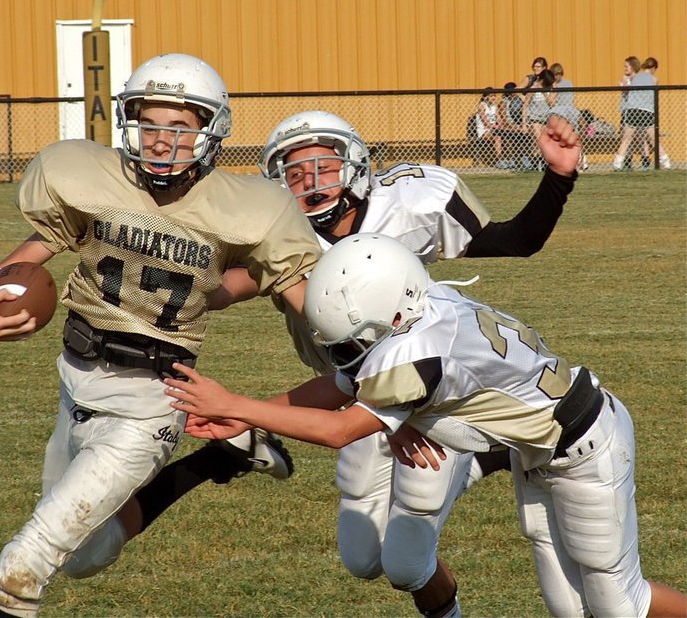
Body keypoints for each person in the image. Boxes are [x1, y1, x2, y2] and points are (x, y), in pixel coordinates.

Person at [166, 109, 579, 616]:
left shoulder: (402, 209)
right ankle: (476, 460)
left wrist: (559, 177)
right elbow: (224, 288)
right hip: (350, 391)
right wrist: (162, 276)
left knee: (406, 565)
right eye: (295, 174)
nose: (311, 183)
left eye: (322, 166)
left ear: (354, 166)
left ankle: (474, 455)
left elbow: (516, 240)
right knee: (363, 559)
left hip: (422, 393)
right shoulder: (281, 238)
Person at [0, 52, 320, 618]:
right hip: (75, 380)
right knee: (85, 556)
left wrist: (361, 360)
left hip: (154, 398)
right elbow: (29, 257)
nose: (161, 140)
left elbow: (297, 289)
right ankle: (214, 462)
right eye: (150, 123)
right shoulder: (85, 174)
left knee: (27, 565)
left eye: (180, 126)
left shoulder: (250, 207)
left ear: (210, 131)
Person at [164, 232, 687, 618]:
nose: (349, 355)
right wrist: (240, 410)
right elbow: (345, 386)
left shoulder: (416, 352)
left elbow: (338, 429)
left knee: (620, 603)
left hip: (587, 446)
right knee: (571, 610)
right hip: (541, 454)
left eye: (355, 341)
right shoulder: (424, 304)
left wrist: (236, 402)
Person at [614, 57, 672, 171]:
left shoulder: (632, 77)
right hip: (647, 111)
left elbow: (625, 90)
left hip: (633, 110)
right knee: (653, 139)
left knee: (627, 139)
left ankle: (617, 163)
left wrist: (623, 85)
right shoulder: (654, 79)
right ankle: (666, 163)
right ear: (654, 68)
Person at [549, 63, 588, 171]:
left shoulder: (564, 84)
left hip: (566, 112)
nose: (557, 77)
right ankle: (575, 161)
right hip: (564, 112)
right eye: (555, 75)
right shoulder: (559, 84)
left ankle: (580, 159)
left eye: (558, 74)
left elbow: (556, 102)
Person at [522, 69, 557, 170]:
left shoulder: (551, 89)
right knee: (538, 140)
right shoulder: (533, 87)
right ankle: (536, 162)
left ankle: (539, 161)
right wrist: (524, 123)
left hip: (546, 118)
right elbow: (526, 104)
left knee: (543, 142)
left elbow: (552, 103)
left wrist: (544, 92)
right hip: (534, 118)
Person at [496, 81, 534, 171]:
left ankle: (525, 158)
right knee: (510, 135)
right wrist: (514, 127)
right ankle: (512, 159)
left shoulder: (519, 99)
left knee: (528, 134)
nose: (513, 94)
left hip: (521, 125)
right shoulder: (504, 102)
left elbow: (526, 109)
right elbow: (505, 119)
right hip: (509, 126)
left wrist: (522, 126)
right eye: (511, 92)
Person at [474, 89, 504, 167]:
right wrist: (496, 127)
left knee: (509, 136)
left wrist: (501, 126)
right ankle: (499, 160)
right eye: (491, 96)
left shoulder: (494, 106)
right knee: (497, 138)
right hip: (483, 131)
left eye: (494, 96)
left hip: (494, 129)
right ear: (485, 97)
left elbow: (499, 119)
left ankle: (513, 160)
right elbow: (486, 122)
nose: (493, 98)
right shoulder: (481, 106)